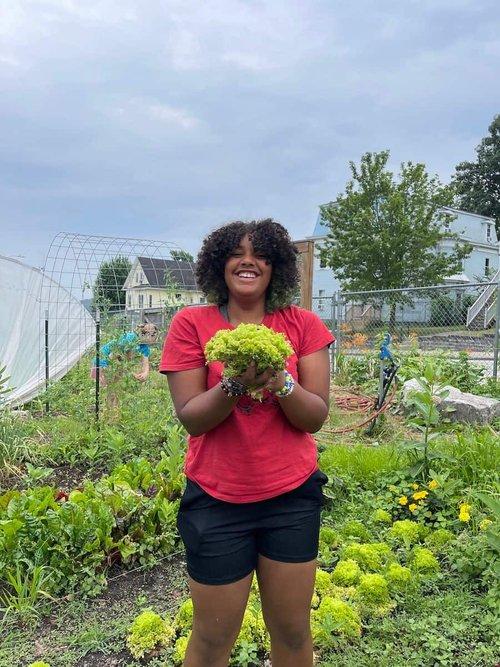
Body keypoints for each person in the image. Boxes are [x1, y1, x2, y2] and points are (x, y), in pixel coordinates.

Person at [160, 219, 334, 667]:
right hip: (218, 501)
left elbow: (314, 416)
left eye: (261, 254)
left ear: (275, 268)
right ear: (219, 264)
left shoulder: (303, 325)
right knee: (213, 638)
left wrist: (280, 382)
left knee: (293, 631)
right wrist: (235, 384)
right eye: (236, 253)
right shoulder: (190, 324)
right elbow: (192, 419)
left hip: (291, 498)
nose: (248, 261)